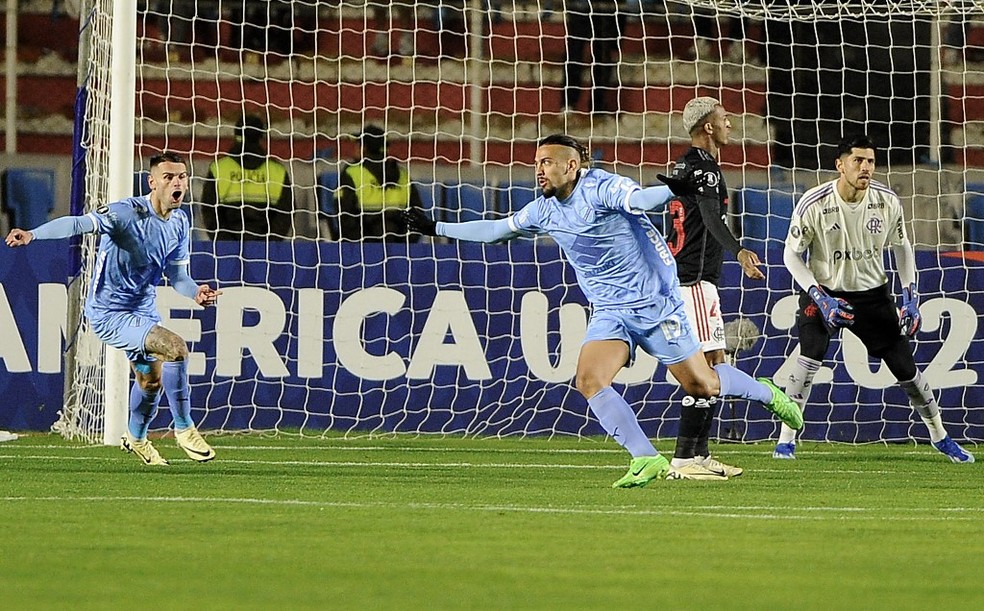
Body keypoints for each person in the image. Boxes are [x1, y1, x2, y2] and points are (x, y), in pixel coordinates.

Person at [404, 134, 804, 488]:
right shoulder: (543, 210)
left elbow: (638, 199)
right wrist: (436, 227)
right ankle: (646, 458)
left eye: (547, 162)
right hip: (610, 310)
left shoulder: (601, 188)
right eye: (537, 162)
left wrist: (671, 190)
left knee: (704, 385)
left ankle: (765, 391)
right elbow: (496, 231)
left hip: (655, 304)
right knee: (590, 379)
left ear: (572, 165)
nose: (538, 169)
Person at [5, 152, 221, 466]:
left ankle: (136, 438)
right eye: (169, 177)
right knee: (175, 348)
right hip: (108, 312)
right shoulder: (125, 213)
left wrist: (196, 292)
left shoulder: (181, 222)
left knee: (150, 383)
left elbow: (178, 277)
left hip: (143, 310)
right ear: (152, 182)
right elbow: (79, 223)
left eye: (182, 177)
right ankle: (184, 428)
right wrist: (33, 234)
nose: (178, 183)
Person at [772, 134, 974, 464]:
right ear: (840, 165)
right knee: (808, 359)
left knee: (907, 371)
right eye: (858, 161)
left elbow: (902, 247)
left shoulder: (887, 200)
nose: (866, 167)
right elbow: (791, 256)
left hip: (872, 296)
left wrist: (910, 296)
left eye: (870, 161)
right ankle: (786, 440)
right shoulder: (814, 202)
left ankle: (940, 436)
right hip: (825, 293)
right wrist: (819, 297)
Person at [655, 97, 766, 480]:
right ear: (708, 127)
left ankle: (699, 455)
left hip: (691, 279)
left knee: (713, 368)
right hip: (693, 281)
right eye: (723, 119)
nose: (730, 125)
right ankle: (686, 458)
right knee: (708, 371)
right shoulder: (705, 170)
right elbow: (708, 217)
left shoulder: (687, 165)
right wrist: (738, 250)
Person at [201, 115, 293, 241]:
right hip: (266, 249)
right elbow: (286, 213)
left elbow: (209, 211)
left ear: (236, 134)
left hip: (226, 248)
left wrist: (225, 243)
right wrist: (269, 243)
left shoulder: (219, 168)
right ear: (261, 136)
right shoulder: (277, 171)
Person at [335, 125, 424, 242]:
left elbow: (343, 214)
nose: (355, 148)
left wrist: (362, 244)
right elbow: (417, 215)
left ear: (364, 148)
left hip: (361, 249)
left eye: (358, 144)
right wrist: (404, 245)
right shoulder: (403, 175)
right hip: (399, 250)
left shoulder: (352, 173)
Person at [561, 1, 625, 117]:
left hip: (606, 7)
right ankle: (568, 103)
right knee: (576, 51)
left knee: (603, 53)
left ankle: (597, 106)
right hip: (582, 6)